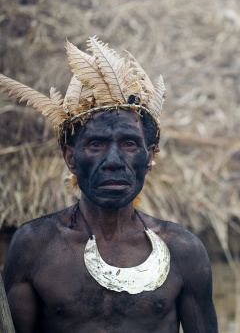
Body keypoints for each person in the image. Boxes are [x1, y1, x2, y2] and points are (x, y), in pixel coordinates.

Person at [1, 36, 218, 332]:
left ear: (150, 155)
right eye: (96, 144)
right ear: (71, 158)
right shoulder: (34, 246)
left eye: (129, 143)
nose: (114, 160)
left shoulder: (184, 250)